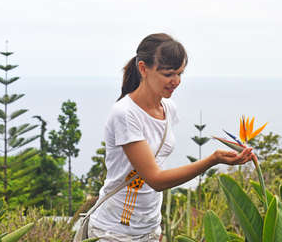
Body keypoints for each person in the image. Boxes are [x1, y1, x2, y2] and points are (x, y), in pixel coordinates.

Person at [88, 33, 253, 241]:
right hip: (114, 232)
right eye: (168, 74)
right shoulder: (125, 114)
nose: (176, 81)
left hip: (149, 229)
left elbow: (154, 175)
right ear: (143, 69)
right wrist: (213, 159)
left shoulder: (168, 109)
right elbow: (155, 179)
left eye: (180, 73)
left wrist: (156, 229)